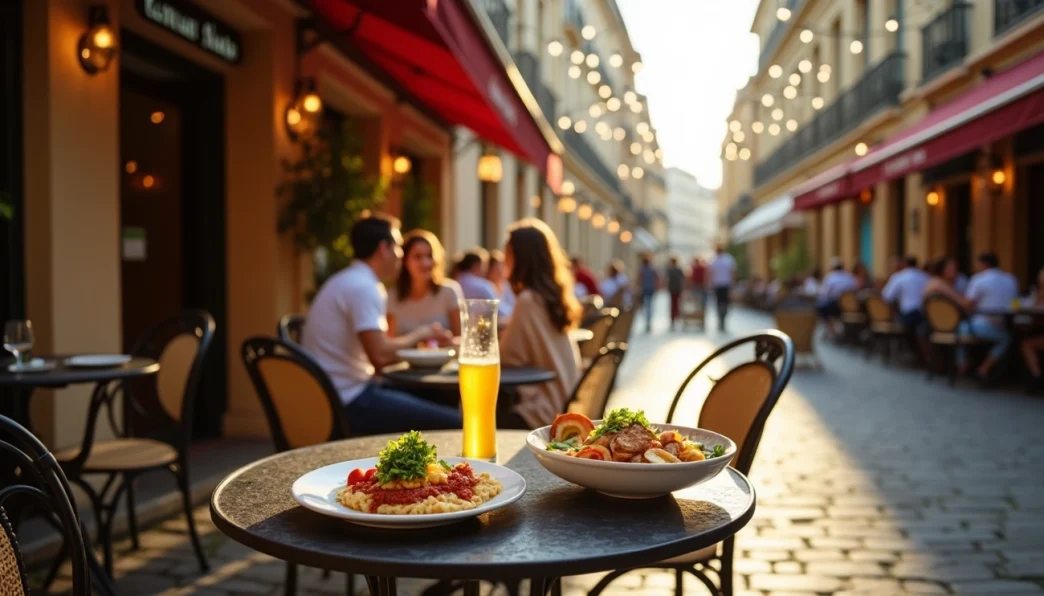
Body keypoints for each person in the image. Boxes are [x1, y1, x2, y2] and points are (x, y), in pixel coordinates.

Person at [302, 214, 462, 435]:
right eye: (397, 246)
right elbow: (380, 356)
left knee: (432, 398)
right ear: (383, 248)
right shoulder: (364, 287)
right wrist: (421, 334)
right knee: (456, 421)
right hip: (348, 402)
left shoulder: (345, 280)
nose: (399, 254)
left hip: (335, 394)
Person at [499, 219, 582, 429]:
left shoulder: (528, 300)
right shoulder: (548, 297)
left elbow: (505, 358)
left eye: (507, 253)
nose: (503, 259)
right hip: (564, 403)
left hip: (540, 412)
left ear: (519, 257)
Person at [387, 230, 464, 338]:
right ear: (405, 261)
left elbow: (462, 340)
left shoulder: (449, 291)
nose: (425, 263)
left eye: (429, 256)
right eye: (418, 256)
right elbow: (390, 342)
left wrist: (449, 341)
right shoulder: (392, 297)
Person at [959, 252, 1019, 381]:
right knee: (1007, 338)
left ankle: (962, 364)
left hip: (980, 326)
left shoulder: (979, 279)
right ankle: (983, 368)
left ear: (983, 264)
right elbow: (1015, 303)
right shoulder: (1011, 279)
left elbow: (967, 304)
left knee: (957, 330)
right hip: (1003, 324)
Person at [882, 256, 931, 361]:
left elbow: (887, 296)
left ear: (904, 264)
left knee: (904, 325)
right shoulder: (925, 277)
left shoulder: (899, 277)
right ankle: (922, 355)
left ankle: (912, 353)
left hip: (908, 315)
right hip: (925, 314)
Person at [816, 257, 858, 338]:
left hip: (835, 306)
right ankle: (834, 329)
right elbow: (855, 291)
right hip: (851, 308)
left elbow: (824, 294)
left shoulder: (830, 277)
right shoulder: (849, 277)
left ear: (832, 268)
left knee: (821, 307)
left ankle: (831, 329)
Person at [1018, 268, 1044, 393]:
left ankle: (1037, 376)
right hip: (1037, 328)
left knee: (1026, 344)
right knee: (1025, 342)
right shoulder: (1036, 293)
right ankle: (1036, 375)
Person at [708, 244, 737, 332]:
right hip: (724, 285)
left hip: (719, 285)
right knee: (724, 303)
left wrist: (709, 284)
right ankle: (722, 320)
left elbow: (710, 273)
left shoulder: (715, 260)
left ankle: (722, 320)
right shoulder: (727, 259)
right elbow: (732, 272)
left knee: (720, 303)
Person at [487, 249, 516, 319]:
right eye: (496, 267)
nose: (500, 270)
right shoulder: (486, 287)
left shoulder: (508, 286)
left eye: (502, 266)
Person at [638, 254, 659, 333]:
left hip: (645, 289)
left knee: (646, 305)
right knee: (649, 305)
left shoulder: (642, 269)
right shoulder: (652, 269)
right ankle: (648, 321)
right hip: (650, 289)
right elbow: (657, 278)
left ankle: (647, 321)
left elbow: (639, 278)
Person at [667, 256, 685, 330]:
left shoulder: (670, 270)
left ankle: (673, 319)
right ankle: (677, 318)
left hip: (672, 289)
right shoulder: (678, 270)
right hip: (677, 289)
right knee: (677, 304)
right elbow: (683, 279)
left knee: (673, 305)